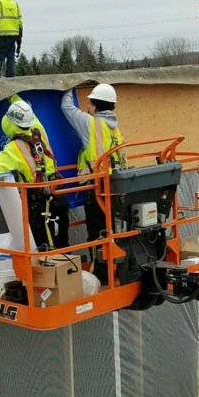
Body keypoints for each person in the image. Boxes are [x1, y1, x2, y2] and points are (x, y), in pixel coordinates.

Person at [0, 98, 69, 249]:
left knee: (44, 248)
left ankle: (50, 272)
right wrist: (13, 96)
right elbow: (28, 114)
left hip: (39, 204)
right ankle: (66, 270)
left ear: (10, 123)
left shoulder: (14, 148)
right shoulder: (39, 129)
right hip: (59, 194)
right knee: (62, 243)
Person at [61, 84, 125, 272]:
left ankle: (101, 272)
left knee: (97, 232)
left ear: (96, 106)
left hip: (97, 187)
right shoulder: (114, 127)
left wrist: (67, 86)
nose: (87, 106)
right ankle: (113, 269)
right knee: (111, 229)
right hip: (115, 185)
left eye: (89, 103)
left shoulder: (91, 123)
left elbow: (66, 107)